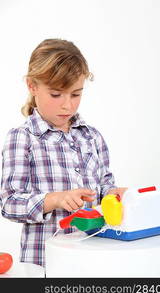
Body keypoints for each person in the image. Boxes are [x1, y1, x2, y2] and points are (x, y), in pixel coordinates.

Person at [0, 38, 127, 268]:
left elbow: (105, 186)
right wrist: (54, 199)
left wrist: (116, 194)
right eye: (57, 95)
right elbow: (9, 203)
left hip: (93, 260)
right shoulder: (22, 138)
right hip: (45, 265)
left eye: (76, 94)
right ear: (32, 86)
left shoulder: (92, 136)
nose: (67, 105)